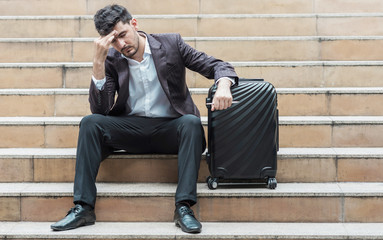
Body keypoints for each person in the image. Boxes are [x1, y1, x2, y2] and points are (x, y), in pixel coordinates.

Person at [50, 4, 238, 234]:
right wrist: (98, 64)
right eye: (113, 41)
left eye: (122, 35)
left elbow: (218, 65)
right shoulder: (111, 59)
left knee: (190, 122)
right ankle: (83, 208)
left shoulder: (171, 44)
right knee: (90, 122)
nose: (121, 45)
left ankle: (184, 207)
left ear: (134, 24)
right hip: (132, 129)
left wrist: (224, 85)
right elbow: (100, 109)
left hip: (172, 129)